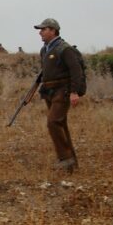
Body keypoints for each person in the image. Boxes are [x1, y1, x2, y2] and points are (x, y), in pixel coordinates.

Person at [34, 18, 85, 172]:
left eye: (43, 29)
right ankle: (72, 165)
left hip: (63, 91)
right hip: (49, 91)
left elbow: (76, 71)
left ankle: (64, 158)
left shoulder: (65, 48)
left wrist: (74, 92)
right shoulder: (44, 49)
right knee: (61, 124)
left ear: (53, 30)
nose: (40, 32)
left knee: (53, 122)